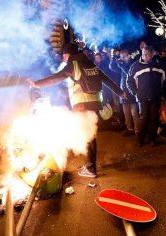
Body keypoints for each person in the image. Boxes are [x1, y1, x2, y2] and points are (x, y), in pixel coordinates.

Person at [28, 43, 125, 178]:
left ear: (69, 54)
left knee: (86, 135)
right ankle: (90, 165)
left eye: (64, 55)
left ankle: (90, 168)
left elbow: (58, 77)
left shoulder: (73, 63)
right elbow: (106, 79)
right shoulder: (89, 63)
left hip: (82, 105)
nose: (64, 58)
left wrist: (37, 83)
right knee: (91, 135)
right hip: (95, 103)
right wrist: (120, 92)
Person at [127, 45, 166, 146]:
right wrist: (136, 93)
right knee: (143, 118)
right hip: (142, 98)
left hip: (155, 97)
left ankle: (152, 138)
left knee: (154, 118)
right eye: (143, 54)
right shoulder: (135, 66)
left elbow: (163, 79)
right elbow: (129, 81)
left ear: (152, 54)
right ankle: (140, 139)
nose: (145, 56)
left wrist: (161, 93)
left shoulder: (157, 64)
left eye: (147, 54)